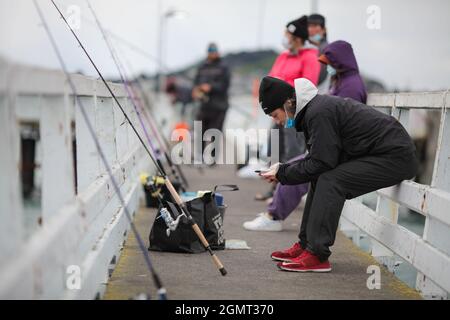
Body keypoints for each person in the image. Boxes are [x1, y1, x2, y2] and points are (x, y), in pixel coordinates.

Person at [257, 76, 417, 272]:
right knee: (320, 176)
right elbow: (318, 160)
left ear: (288, 103)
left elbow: (322, 162)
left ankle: (317, 255)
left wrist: (282, 173)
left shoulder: (318, 113)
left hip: (395, 156)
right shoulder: (313, 110)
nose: (277, 122)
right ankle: (307, 245)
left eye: (275, 115)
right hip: (381, 152)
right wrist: (282, 170)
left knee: (331, 180)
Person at [244, 40, 367, 231]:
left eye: (330, 64)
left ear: (342, 63)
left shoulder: (351, 86)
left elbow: (344, 122)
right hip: (335, 141)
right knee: (294, 166)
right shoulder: (340, 82)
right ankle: (274, 215)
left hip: (341, 145)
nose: (327, 69)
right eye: (325, 65)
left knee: (301, 167)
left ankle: (274, 216)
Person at [253, 15, 321, 201]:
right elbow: (272, 77)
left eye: (287, 35)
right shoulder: (283, 55)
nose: (284, 38)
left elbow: (308, 83)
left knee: (293, 150)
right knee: (275, 148)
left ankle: (288, 193)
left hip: (293, 110)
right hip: (278, 109)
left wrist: (284, 91)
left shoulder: (310, 56)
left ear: (297, 38)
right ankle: (274, 188)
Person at [192, 43, 230, 160]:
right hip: (204, 105)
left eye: (214, 52)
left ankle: (213, 157)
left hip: (219, 106)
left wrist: (210, 87)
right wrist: (196, 90)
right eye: (210, 52)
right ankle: (200, 155)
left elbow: (225, 86)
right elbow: (196, 82)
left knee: (215, 132)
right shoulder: (202, 66)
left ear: (217, 52)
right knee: (200, 130)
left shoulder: (223, 67)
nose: (212, 54)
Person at [308, 13, 329, 92]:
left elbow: (323, 75)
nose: (310, 29)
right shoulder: (305, 47)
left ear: (323, 30)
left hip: (319, 92)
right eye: (309, 26)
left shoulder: (327, 49)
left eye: (314, 26)